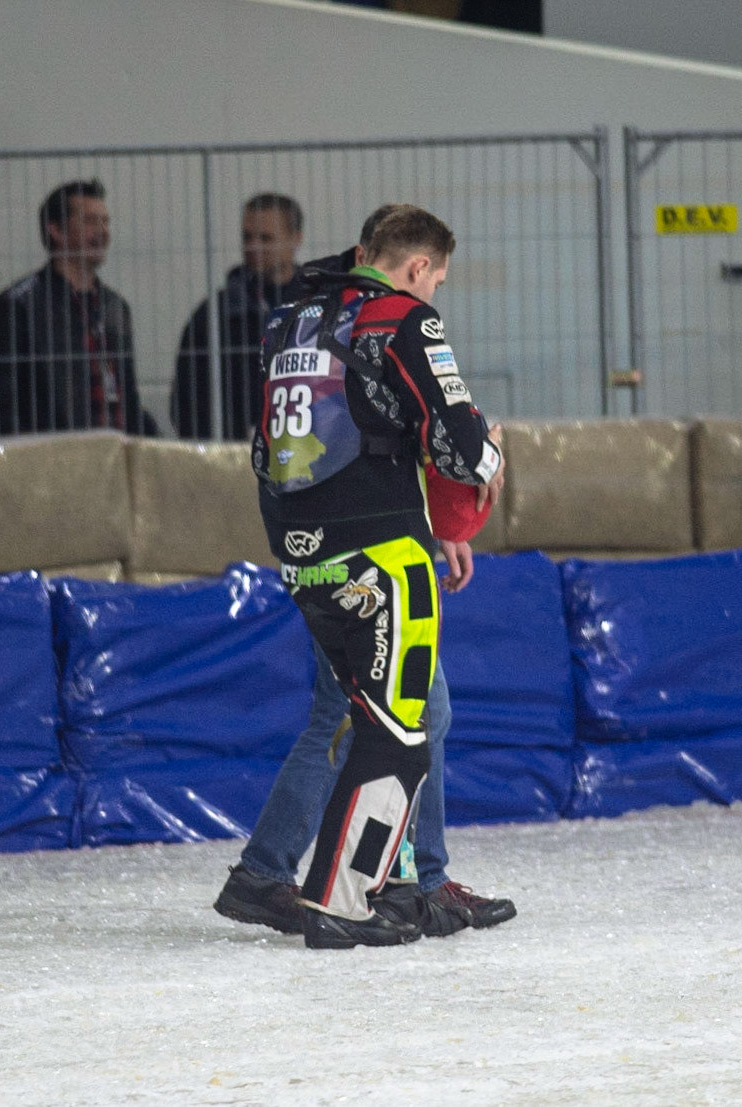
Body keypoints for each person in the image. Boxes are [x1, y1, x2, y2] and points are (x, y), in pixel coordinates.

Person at [215, 211, 516, 943]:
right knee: (398, 718)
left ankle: (359, 876)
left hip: (304, 543)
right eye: (436, 280)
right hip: (377, 546)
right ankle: (403, 882)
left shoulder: (293, 318)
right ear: (417, 268)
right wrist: (491, 462)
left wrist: (433, 525)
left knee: (372, 709)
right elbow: (458, 442)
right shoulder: (407, 319)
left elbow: (338, 427)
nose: (434, 292)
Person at [0, 179, 158, 437]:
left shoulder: (115, 307)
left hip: (112, 461)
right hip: (52, 464)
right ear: (56, 231)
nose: (102, 231)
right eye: (89, 221)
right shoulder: (16, 308)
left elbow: (127, 397)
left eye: (106, 221)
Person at [169, 193, 304, 441]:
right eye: (247, 237)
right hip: (234, 457)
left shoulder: (321, 309)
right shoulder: (214, 316)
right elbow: (185, 401)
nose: (253, 247)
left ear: (296, 239)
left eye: (265, 238)